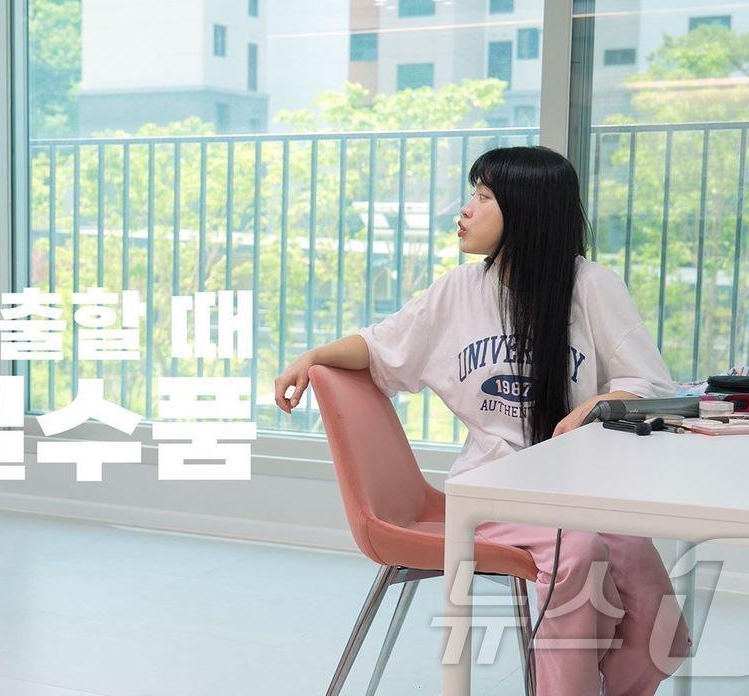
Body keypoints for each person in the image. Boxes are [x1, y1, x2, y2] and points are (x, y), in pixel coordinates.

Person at [274, 146, 692, 696]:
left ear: (527, 209)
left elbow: (650, 384)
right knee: (579, 552)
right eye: (473, 194)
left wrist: (596, 405)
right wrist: (313, 356)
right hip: (491, 492)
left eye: (484, 196)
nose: (466, 209)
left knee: (654, 607)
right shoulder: (459, 290)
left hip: (580, 493)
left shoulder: (592, 287)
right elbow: (381, 346)